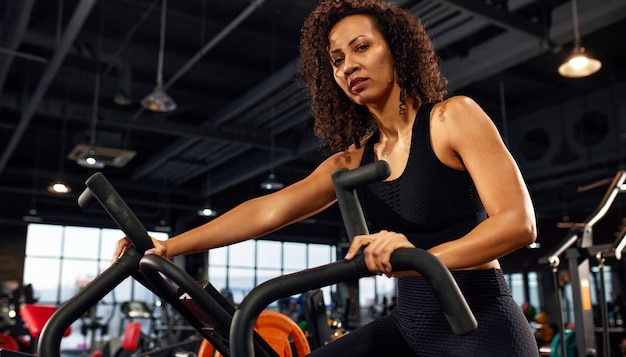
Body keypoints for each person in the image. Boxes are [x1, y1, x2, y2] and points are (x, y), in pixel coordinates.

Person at [114, 0, 538, 355]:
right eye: (337, 60)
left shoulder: (452, 118)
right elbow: (268, 210)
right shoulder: (352, 162)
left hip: (481, 325)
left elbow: (518, 224)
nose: (349, 66)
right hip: (410, 325)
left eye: (361, 48)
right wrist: (168, 245)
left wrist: (424, 261)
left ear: (396, 51)